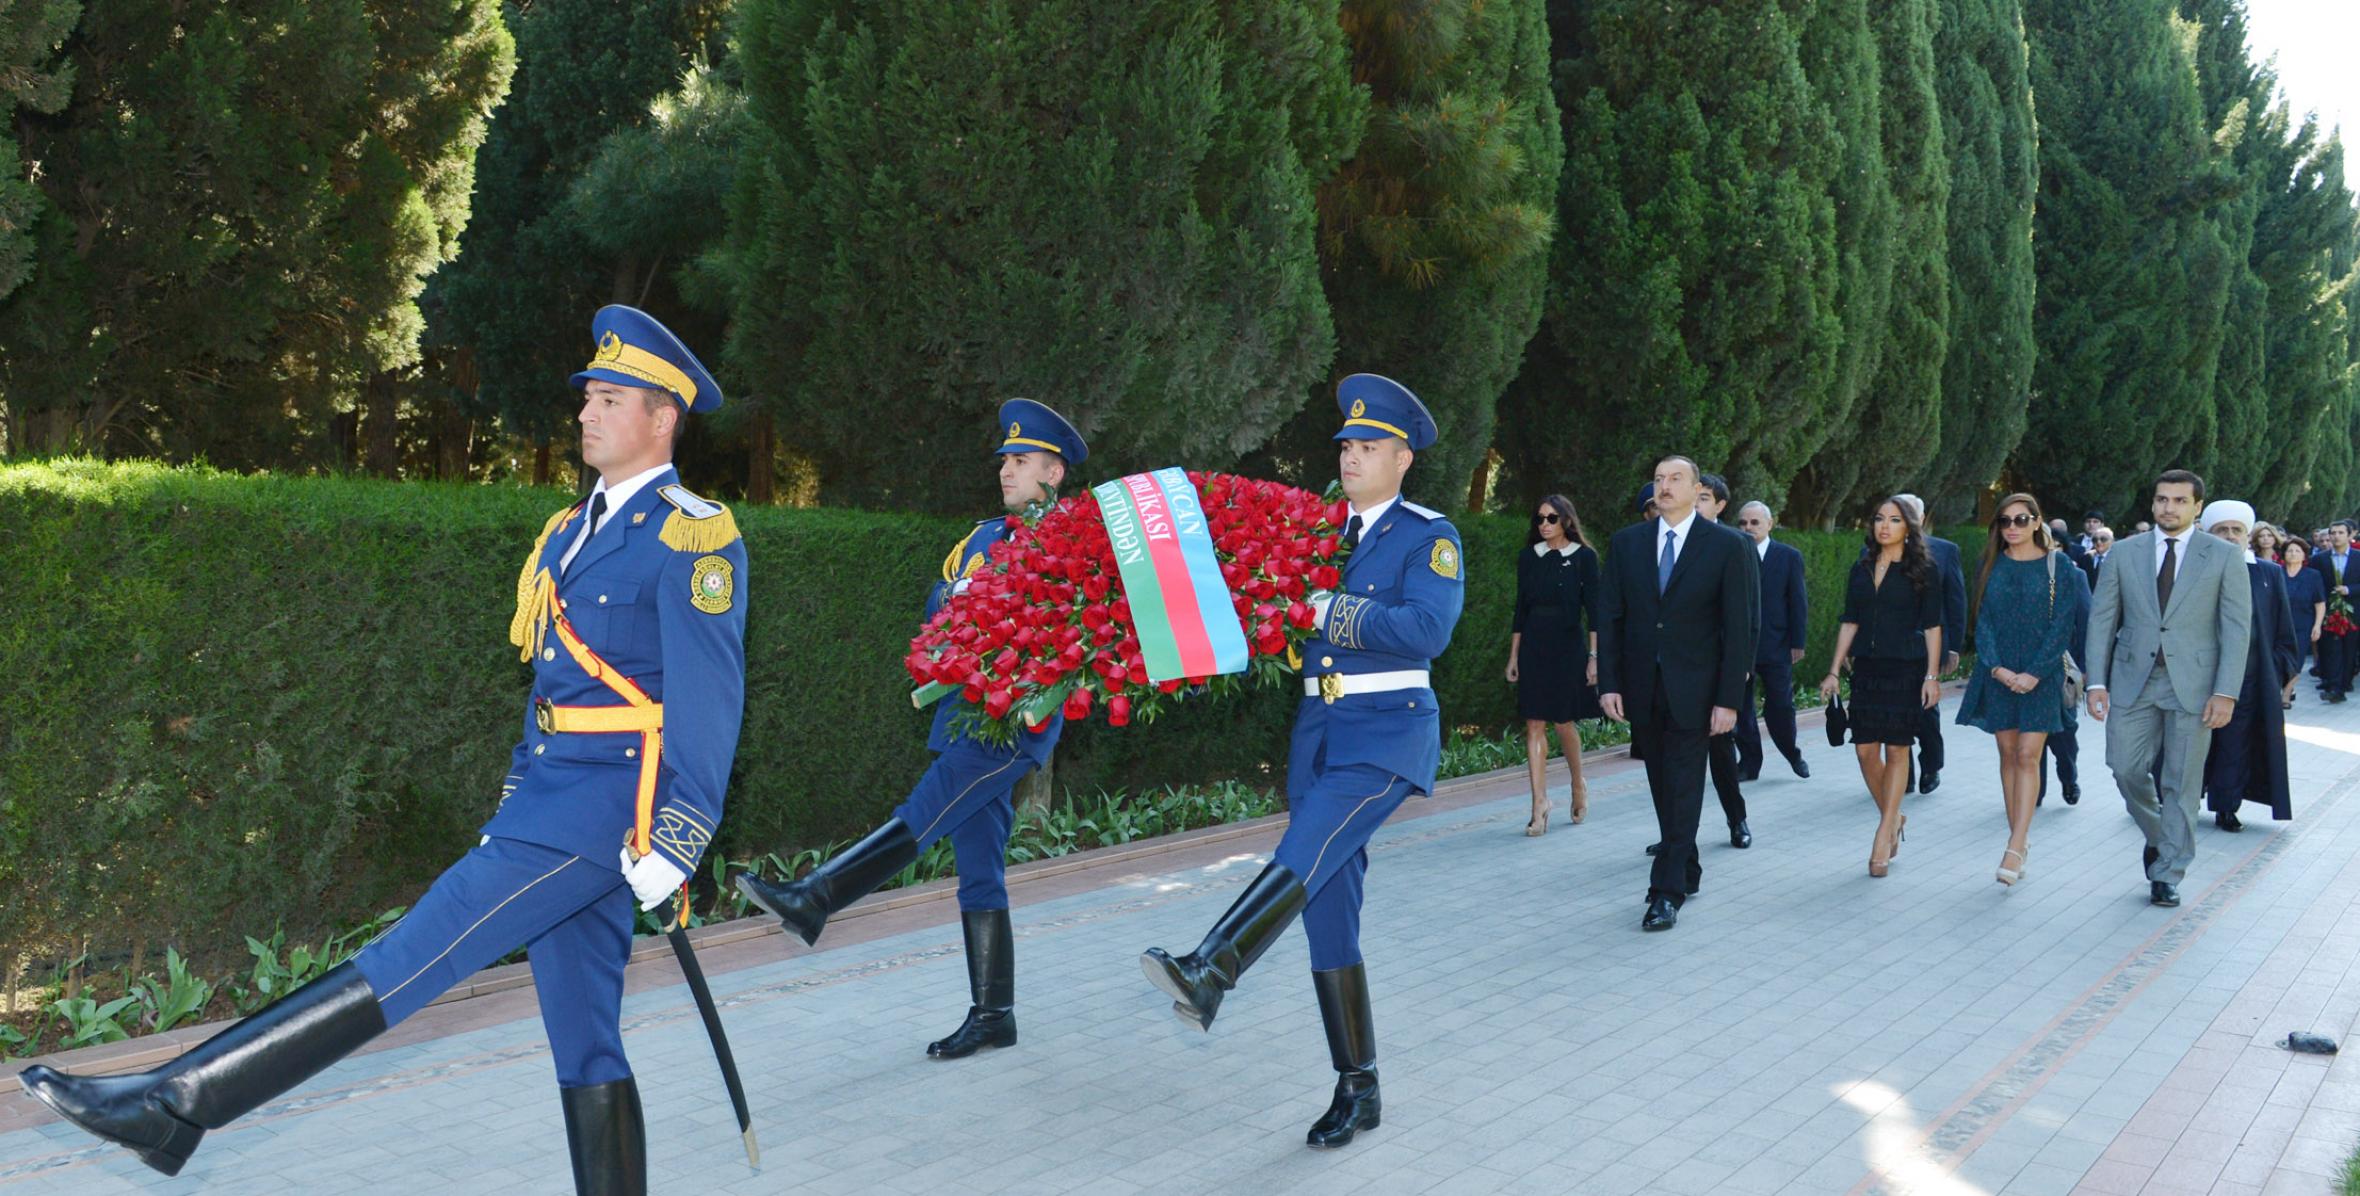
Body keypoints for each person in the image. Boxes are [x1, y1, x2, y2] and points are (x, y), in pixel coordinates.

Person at [21, 307, 748, 1193]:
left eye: (609, 398)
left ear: (663, 418)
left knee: (412, 952)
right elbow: (552, 689)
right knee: (588, 1039)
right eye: (587, 398)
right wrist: (522, 785)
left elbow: (709, 703)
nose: (588, 414)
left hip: (606, 820)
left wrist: (678, 837)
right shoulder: (567, 531)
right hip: (549, 801)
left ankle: (179, 1104)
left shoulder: (693, 534)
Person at [1139, 374, 1462, 1150]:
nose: (1352, 456)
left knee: (1303, 849)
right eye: (1346, 445)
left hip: (1387, 733)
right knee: (1328, 913)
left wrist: (1326, 610)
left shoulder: (1429, 536)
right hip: (1319, 731)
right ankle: (1360, 1088)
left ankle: (1214, 967)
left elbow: (1425, 630)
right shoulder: (1317, 533)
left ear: (1403, 458)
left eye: (1368, 446)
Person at [736, 398, 1088, 1060]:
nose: (1006, 471)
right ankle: (994, 1014)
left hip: (1007, 728)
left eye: (1020, 461)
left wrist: (985, 605)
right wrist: (964, 601)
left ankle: (817, 896)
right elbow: (938, 604)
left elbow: (1069, 633)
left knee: (922, 813)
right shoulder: (982, 538)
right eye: (1004, 460)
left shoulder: (1074, 543)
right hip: (964, 716)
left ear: (1055, 470)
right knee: (979, 868)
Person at [1597, 455, 1758, 931]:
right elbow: (1610, 619)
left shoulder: (1728, 546)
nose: (1664, 487)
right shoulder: (1627, 544)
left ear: (1696, 490)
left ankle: (1664, 892)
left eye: (1675, 480)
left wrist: (1729, 699)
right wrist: (1609, 683)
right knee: (1663, 786)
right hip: (1643, 687)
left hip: (1699, 691)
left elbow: (1739, 628)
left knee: (1685, 784)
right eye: (1658, 479)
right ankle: (1686, 865)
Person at [2086, 469, 2252, 908]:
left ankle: (2168, 872)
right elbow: (2103, 619)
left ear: (2197, 506)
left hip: (2195, 686)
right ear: (2153, 503)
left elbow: (2237, 629)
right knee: (2123, 767)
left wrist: (2226, 691)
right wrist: (2095, 681)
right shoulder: (2123, 553)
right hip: (2131, 681)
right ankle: (2162, 834)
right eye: (2162, 499)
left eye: (2180, 501)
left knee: (2181, 782)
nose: (2169, 508)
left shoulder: (2222, 556)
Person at [1955, 495, 2085, 885]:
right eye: (2005, 520)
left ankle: (2015, 844)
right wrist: (1996, 667)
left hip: (2040, 676)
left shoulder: (2057, 564)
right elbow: (1983, 620)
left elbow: (2063, 624)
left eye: (2021, 519)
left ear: (2036, 522)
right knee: (2008, 753)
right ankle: (2019, 839)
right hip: (1998, 674)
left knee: (2029, 755)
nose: (2012, 526)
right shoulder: (1990, 564)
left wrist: (2033, 672)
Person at [1818, 498, 1944, 877]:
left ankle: (1882, 833)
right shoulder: (1861, 567)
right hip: (1868, 670)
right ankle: (1894, 818)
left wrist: (1932, 676)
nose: (1884, 526)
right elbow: (1849, 620)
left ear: (1909, 527)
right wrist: (1834, 670)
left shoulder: (1923, 569)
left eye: (1894, 520)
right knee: (1864, 752)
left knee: (1898, 749)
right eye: (1879, 519)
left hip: (1906, 668)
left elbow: (1934, 625)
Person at [2198, 502, 2297, 831]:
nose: (2229, 536)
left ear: (2247, 535)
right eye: (2221, 530)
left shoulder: (2268, 573)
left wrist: (2276, 672)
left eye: (2236, 530)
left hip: (2250, 678)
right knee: (2190, 743)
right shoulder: (2193, 570)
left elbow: (2283, 628)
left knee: (2235, 745)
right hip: (2197, 676)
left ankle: (2226, 805)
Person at [1507, 493, 1603, 834]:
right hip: (1533, 645)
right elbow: (1520, 609)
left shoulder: (1584, 558)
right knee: (1534, 723)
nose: (1544, 525)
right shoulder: (1528, 558)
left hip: (1568, 647)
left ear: (1566, 520)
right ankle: (1539, 804)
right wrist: (1514, 656)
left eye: (1551, 518)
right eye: (1539, 519)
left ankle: (1578, 783)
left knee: (1563, 722)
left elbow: (1595, 612)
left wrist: (1594, 658)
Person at [1695, 473, 1756, 848]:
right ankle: (1675, 835)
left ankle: (1737, 820)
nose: (1697, 503)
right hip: (1678, 669)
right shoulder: (1663, 541)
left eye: (1704, 497)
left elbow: (1751, 612)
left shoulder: (1737, 544)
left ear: (1719, 505)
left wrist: (1742, 665)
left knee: (1720, 752)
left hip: (1721, 669)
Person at [1735, 501, 1811, 780]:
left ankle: (1792, 753)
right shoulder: (1733, 554)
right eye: (1743, 523)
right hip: (1740, 646)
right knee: (1742, 708)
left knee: (1780, 705)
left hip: (1776, 643)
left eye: (1754, 523)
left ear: (1769, 523)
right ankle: (1749, 763)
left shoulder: (1788, 556)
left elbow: (1797, 601)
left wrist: (1797, 642)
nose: (1748, 528)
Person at [1896, 495, 1965, 795]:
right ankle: (1904, 774)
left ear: (1921, 518)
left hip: (1929, 645)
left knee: (1926, 710)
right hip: (1890, 646)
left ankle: (1931, 766)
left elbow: (1956, 600)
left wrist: (1954, 648)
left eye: (1910, 513)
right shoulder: (1873, 550)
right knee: (1895, 713)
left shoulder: (1945, 551)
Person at [2308, 520, 2357, 703]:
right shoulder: (2320, 559)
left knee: (2349, 650)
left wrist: (2349, 590)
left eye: (2340, 532)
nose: (2336, 536)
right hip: (2327, 612)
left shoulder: (2358, 558)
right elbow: (2313, 584)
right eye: (2333, 533)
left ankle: (2343, 684)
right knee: (2330, 649)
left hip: (2353, 613)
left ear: (2349, 535)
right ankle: (2333, 686)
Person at [2282, 537, 2326, 709]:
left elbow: (2319, 602)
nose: (2293, 554)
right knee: (2279, 660)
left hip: (2303, 624)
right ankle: (2282, 688)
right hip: (2279, 624)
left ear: (2304, 555)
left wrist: (2317, 625)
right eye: (2289, 550)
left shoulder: (2312, 576)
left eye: (2297, 551)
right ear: (2284, 554)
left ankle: (2286, 694)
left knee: (2297, 660)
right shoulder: (2277, 572)